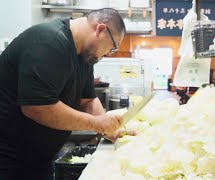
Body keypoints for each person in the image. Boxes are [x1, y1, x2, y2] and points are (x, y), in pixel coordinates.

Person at [0, 8, 134, 179]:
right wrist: (96, 124)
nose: (108, 54)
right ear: (100, 29)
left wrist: (113, 130)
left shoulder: (85, 56)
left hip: (38, 159)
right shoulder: (49, 42)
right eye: (112, 47)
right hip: (9, 158)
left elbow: (87, 100)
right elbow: (37, 107)